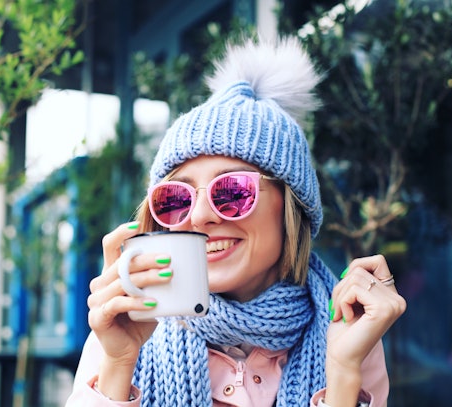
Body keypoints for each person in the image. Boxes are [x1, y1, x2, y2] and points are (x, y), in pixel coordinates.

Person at [65, 36, 406, 407]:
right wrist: (118, 363)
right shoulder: (124, 329)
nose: (198, 216)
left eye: (231, 191)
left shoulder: (348, 333)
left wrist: (341, 372)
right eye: (176, 198)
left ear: (291, 206)